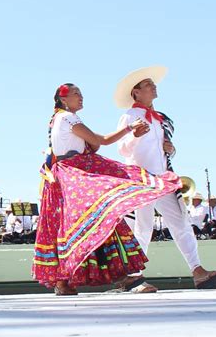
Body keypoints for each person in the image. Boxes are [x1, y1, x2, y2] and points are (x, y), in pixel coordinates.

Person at [33, 83, 181, 295]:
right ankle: (124, 275)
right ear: (63, 99)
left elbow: (92, 144)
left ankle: (64, 281)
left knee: (70, 225)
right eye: (76, 94)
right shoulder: (68, 118)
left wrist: (93, 144)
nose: (81, 97)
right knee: (104, 215)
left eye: (81, 93)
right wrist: (129, 128)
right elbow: (100, 141)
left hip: (63, 177)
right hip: (75, 174)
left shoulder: (57, 118)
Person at [115, 66, 216, 289]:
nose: (153, 86)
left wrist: (170, 149)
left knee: (181, 222)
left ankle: (198, 270)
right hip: (141, 179)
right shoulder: (129, 116)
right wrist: (134, 137)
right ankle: (134, 276)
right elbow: (123, 150)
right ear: (136, 93)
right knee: (143, 227)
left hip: (162, 178)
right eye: (148, 85)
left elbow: (164, 150)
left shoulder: (158, 119)